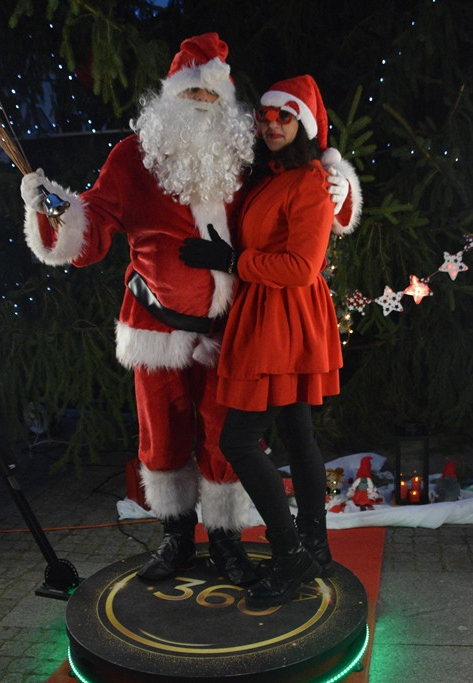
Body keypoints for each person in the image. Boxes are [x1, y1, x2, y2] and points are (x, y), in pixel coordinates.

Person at [19, 36, 360, 587]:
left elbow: (306, 184)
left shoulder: (246, 157)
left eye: (211, 91)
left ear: (225, 99)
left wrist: (339, 182)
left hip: (232, 331)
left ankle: (226, 542)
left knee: (227, 439)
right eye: (191, 90)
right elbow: (93, 228)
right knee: (163, 438)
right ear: (170, 97)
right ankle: (176, 539)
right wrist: (53, 209)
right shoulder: (134, 157)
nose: (202, 100)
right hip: (155, 326)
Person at [180, 74, 359, 607]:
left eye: (285, 116)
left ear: (302, 123)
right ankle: (315, 544)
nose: (272, 124)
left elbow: (302, 267)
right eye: (265, 115)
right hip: (271, 312)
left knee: (238, 440)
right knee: (298, 431)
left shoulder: (309, 180)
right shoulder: (271, 176)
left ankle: (290, 556)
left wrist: (233, 261)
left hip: (283, 316)